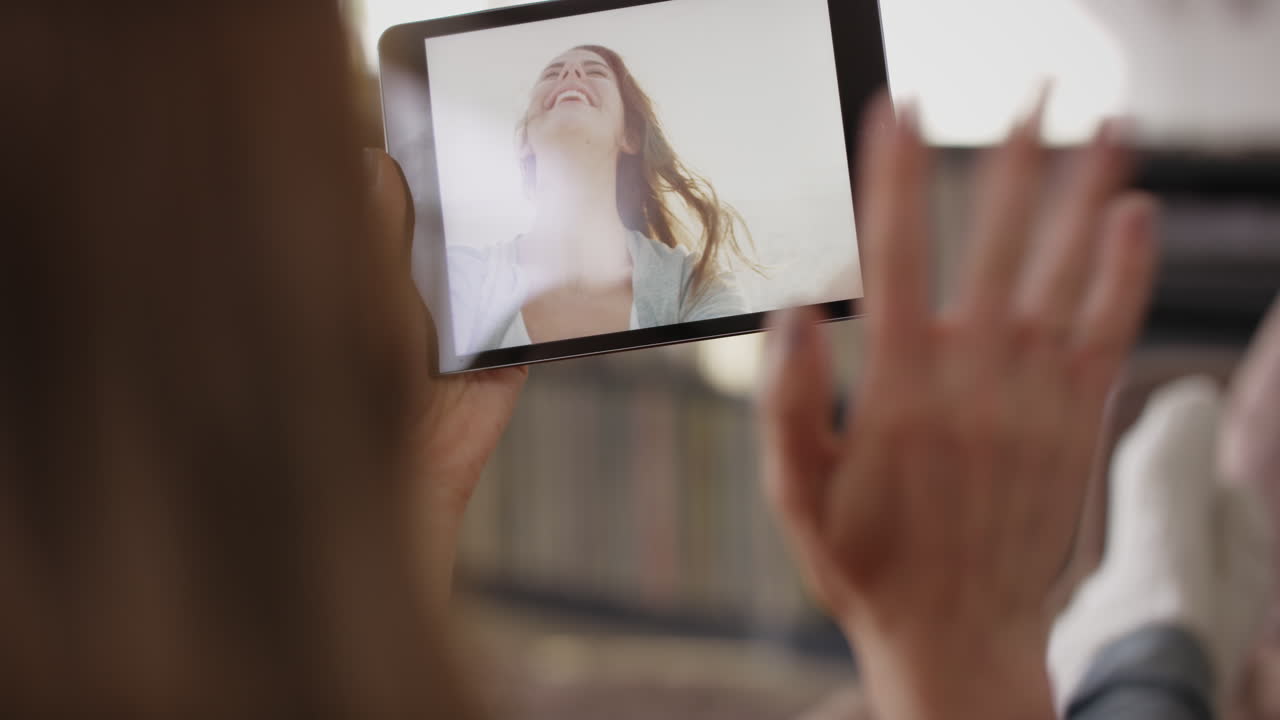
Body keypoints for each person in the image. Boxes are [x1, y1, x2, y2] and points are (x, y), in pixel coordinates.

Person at [446, 44, 756, 355]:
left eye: (594, 71)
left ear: (630, 136)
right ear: (525, 141)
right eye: (552, 74)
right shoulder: (461, 278)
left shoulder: (693, 288)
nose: (571, 73)